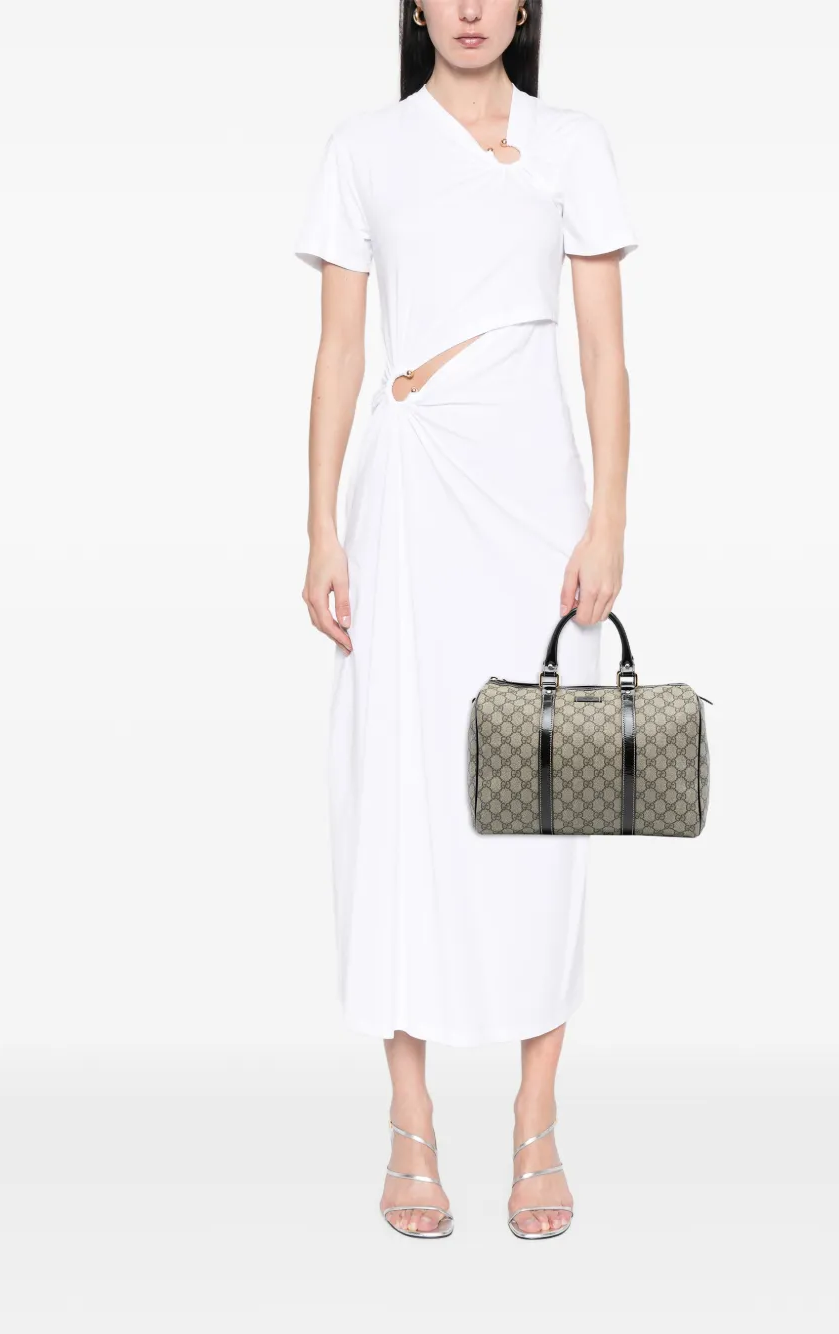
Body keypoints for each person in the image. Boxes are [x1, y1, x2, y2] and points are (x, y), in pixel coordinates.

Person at [295, 0, 636, 1239]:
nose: (473, 8)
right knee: (400, 786)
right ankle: (410, 1120)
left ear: (526, 5)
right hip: (409, 495)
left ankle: (537, 1116)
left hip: (534, 496)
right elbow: (339, 352)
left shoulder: (571, 143)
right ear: (416, 7)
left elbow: (603, 355)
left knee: (546, 793)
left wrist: (605, 522)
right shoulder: (364, 149)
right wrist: (320, 526)